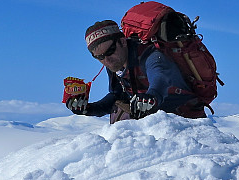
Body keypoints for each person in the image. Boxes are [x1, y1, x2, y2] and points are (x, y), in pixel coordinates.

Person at [67, 20, 206, 123]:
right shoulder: (116, 64)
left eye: (110, 51)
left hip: (188, 124)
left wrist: (152, 96)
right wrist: (89, 109)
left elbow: (161, 77)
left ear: (122, 41)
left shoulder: (151, 55)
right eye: (99, 57)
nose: (107, 60)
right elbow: (117, 96)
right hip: (155, 128)